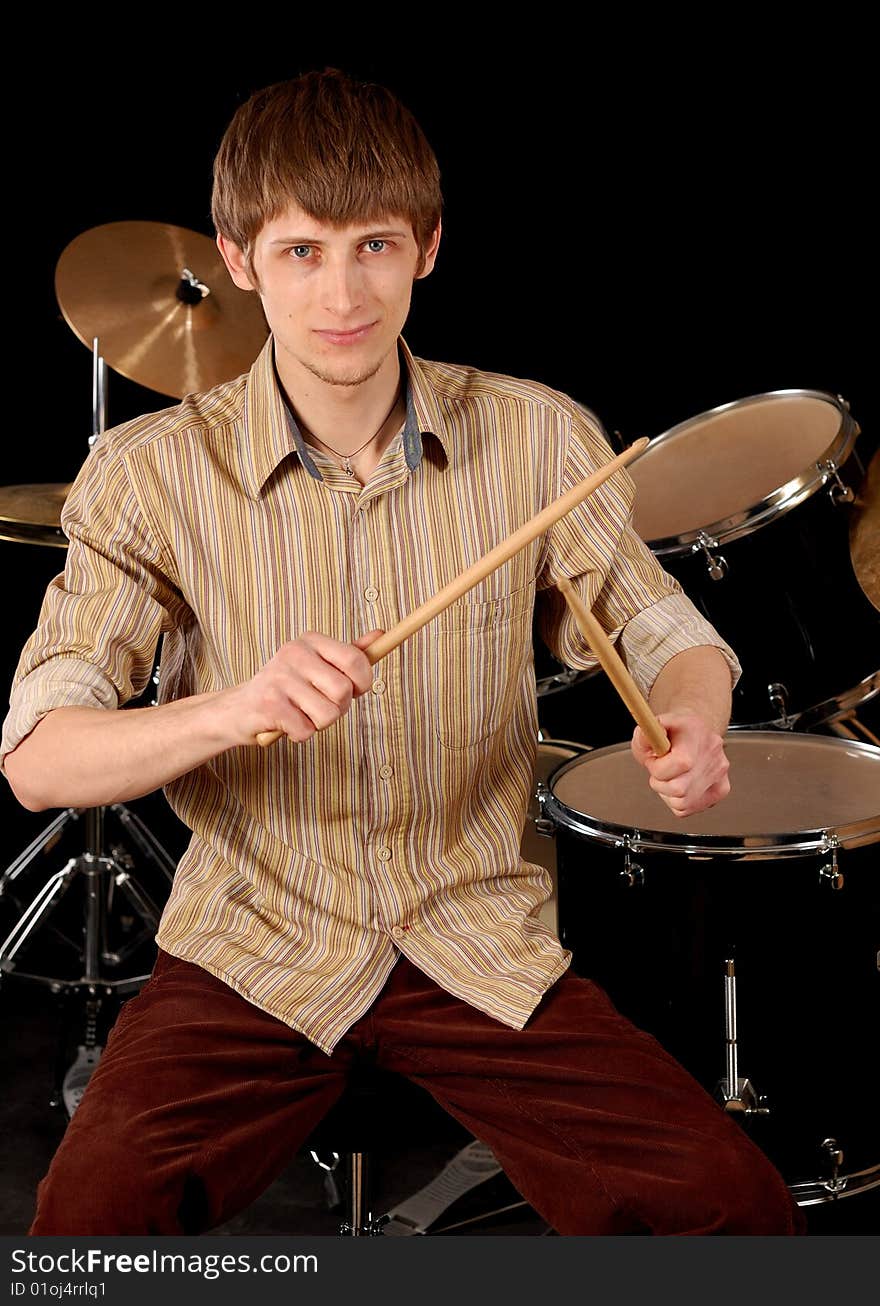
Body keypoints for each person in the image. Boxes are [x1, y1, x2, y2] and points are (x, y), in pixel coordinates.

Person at [1, 68, 804, 1236]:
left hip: (473, 934)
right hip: (251, 943)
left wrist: (688, 709)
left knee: (735, 1215)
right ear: (237, 258)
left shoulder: (535, 433)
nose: (342, 291)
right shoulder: (146, 474)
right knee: (86, 1232)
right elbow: (38, 756)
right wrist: (233, 708)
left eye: (374, 245)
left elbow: (660, 626)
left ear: (427, 246)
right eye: (300, 250)